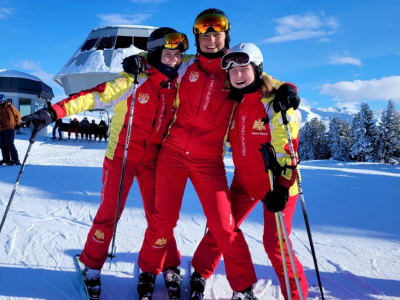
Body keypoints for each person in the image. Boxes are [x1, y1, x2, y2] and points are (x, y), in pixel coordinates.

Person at [21, 27, 189, 299]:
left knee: (160, 217)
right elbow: (92, 96)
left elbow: (206, 60)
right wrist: (54, 111)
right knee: (109, 213)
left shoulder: (179, 84)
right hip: (121, 157)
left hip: (154, 161)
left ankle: (169, 264)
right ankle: (92, 265)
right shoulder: (131, 80)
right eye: (167, 54)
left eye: (177, 55)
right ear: (156, 54)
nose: (173, 59)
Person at [133, 9, 259, 300]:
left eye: (217, 35)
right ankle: (149, 269)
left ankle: (242, 287)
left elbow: (265, 81)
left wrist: (286, 88)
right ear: (197, 38)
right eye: (205, 35)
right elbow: (162, 57)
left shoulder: (235, 70)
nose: (211, 40)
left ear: (226, 37)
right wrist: (138, 61)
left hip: (208, 161)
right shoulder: (186, 66)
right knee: (161, 220)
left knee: (224, 226)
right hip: (173, 154)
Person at [192, 42, 308, 299]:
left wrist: (282, 186)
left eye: (243, 68)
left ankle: (296, 295)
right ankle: (200, 272)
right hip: (244, 181)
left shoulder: (274, 102)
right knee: (221, 227)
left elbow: (288, 149)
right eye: (232, 71)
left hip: (276, 185)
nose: (238, 75)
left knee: (275, 243)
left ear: (257, 69)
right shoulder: (234, 102)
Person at [0, 94, 21, 166]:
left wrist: (18, 124)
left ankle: (15, 160)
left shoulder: (10, 107)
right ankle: (6, 159)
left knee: (9, 144)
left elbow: (18, 115)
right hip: (1, 129)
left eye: (1, 101)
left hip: (10, 128)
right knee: (2, 145)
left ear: (4, 100)